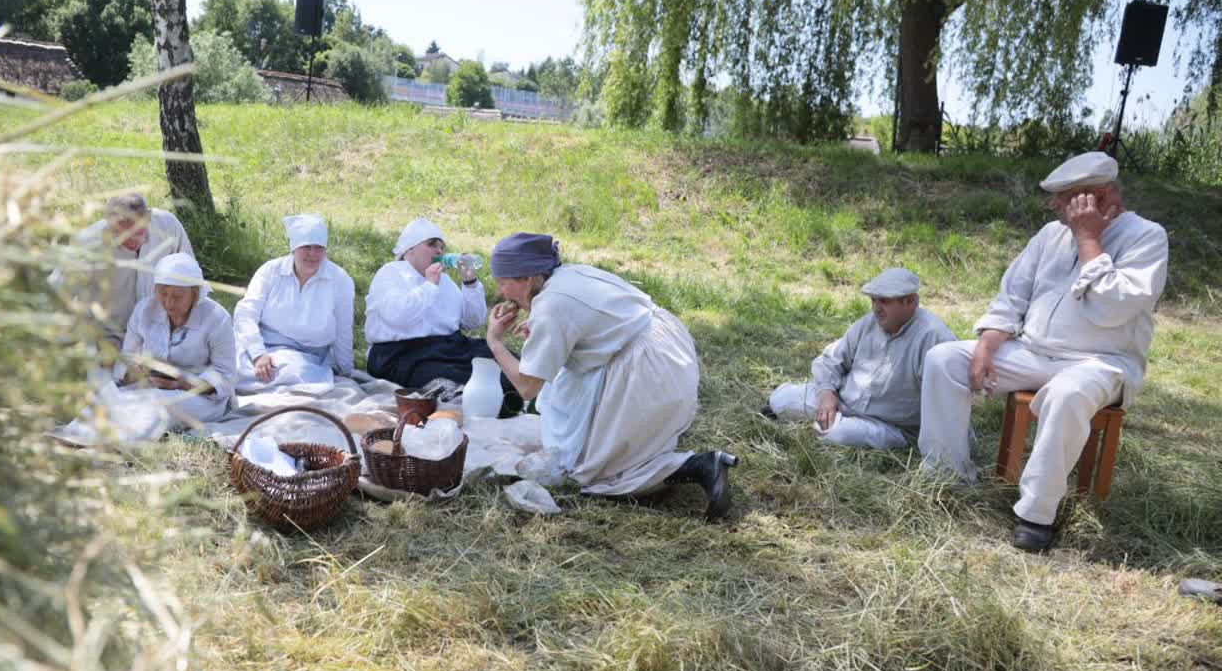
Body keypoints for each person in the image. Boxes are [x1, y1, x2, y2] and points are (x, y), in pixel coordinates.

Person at [919, 152, 1169, 552]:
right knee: (944, 359)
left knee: (1067, 394)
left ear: (1101, 195)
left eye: (1065, 197)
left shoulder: (1146, 237)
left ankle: (1036, 514)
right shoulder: (1050, 235)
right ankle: (948, 476)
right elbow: (1012, 296)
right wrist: (987, 343)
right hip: (1033, 352)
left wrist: (1089, 240)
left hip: (1101, 363)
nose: (1054, 204)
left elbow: (1114, 308)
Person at [482, 232, 738, 518]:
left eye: (503, 281)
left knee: (596, 474)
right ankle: (641, 445)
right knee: (592, 436)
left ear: (528, 279)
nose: (501, 292)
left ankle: (700, 465)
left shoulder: (551, 306)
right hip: (666, 349)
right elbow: (592, 321)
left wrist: (495, 342)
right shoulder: (568, 274)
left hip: (648, 370)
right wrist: (543, 332)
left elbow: (528, 387)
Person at [52, 253, 235, 445]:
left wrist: (181, 383)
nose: (169, 303)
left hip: (200, 396)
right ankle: (71, 437)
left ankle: (108, 445)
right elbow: (126, 360)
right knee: (109, 396)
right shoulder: (145, 310)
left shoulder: (217, 319)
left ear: (195, 294)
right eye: (163, 294)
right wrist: (134, 373)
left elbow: (226, 376)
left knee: (158, 408)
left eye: (177, 296)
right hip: (151, 386)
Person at [765, 268, 957, 448]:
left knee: (836, 433)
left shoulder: (934, 337)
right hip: (843, 402)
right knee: (781, 399)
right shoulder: (868, 324)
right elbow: (831, 360)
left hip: (889, 425)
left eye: (884, 301)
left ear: (911, 301)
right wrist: (826, 394)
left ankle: (829, 426)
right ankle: (826, 419)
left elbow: (948, 399)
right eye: (874, 300)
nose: (876, 308)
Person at [365, 217, 518, 409]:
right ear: (410, 249)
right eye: (431, 244)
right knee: (450, 378)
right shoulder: (391, 273)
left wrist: (470, 283)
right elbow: (399, 318)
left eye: (442, 247)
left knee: (500, 358)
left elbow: (473, 321)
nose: (439, 251)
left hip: (448, 346)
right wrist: (430, 285)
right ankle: (495, 401)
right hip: (403, 353)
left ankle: (519, 391)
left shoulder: (444, 281)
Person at [49, 193, 194, 346]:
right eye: (121, 234)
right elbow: (56, 293)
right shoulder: (87, 243)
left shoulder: (168, 225)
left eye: (138, 232)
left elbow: (190, 275)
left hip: (161, 329)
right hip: (108, 335)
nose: (132, 240)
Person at [233, 214, 355, 389]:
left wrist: (346, 371)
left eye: (319, 248)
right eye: (306, 247)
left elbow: (343, 330)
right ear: (294, 248)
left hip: (305, 356)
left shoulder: (340, 280)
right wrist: (258, 354)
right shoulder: (270, 271)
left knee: (291, 371)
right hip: (262, 344)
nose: (313, 254)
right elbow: (245, 314)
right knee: (229, 366)